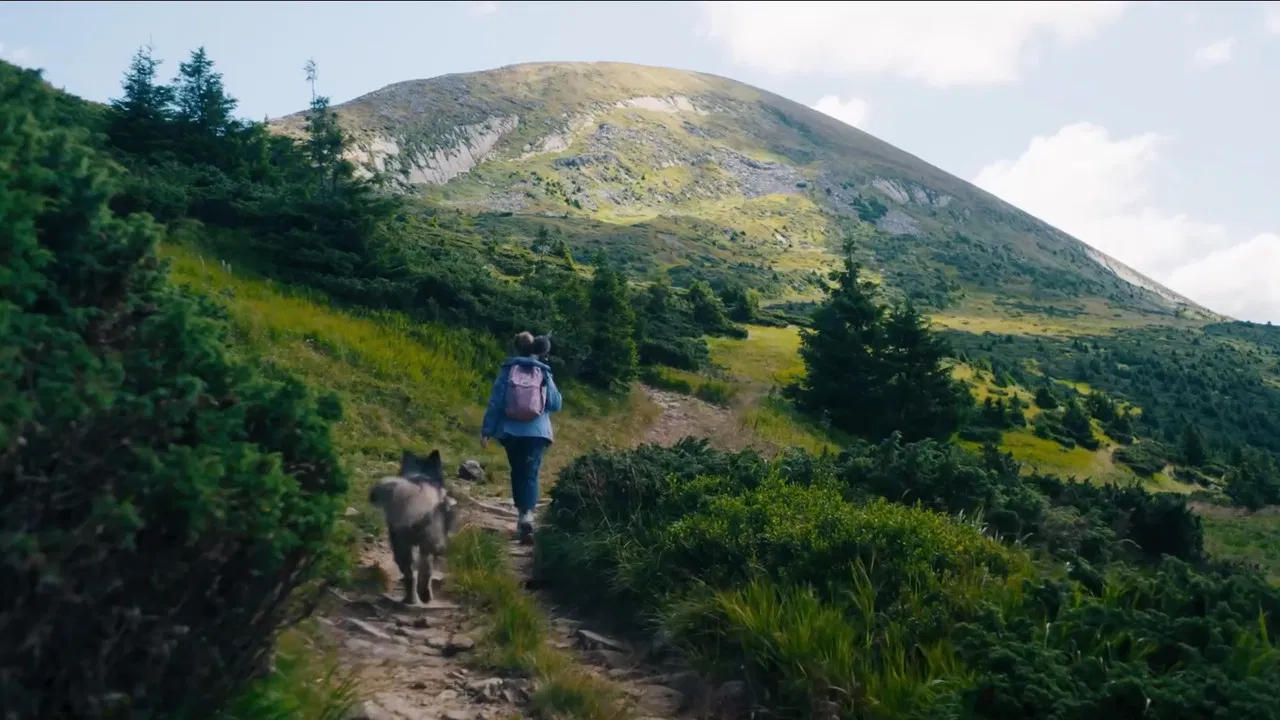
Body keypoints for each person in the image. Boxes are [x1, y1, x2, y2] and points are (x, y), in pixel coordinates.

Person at [481, 331, 562, 544]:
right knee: (530, 473)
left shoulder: (508, 370)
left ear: (516, 348)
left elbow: (496, 403)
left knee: (518, 472)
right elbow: (555, 403)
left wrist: (487, 432)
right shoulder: (543, 371)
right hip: (537, 433)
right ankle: (527, 517)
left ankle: (521, 516)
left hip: (511, 432)